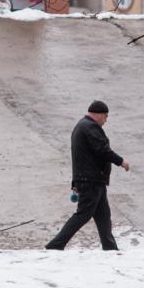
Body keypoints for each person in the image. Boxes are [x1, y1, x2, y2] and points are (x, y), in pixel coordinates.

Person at [45, 100, 131, 251]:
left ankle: (110, 249)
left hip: (93, 180)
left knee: (103, 216)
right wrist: (121, 161)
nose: (106, 120)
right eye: (105, 116)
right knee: (83, 214)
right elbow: (102, 150)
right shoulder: (90, 127)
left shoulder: (83, 126)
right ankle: (55, 245)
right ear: (98, 115)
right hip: (90, 180)